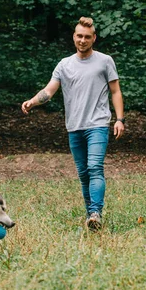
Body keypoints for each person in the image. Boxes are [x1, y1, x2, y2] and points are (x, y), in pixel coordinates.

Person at [21, 16, 125, 231]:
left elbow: (115, 91)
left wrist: (120, 119)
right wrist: (32, 101)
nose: (82, 40)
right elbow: (49, 90)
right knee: (83, 173)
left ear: (94, 38)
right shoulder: (64, 64)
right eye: (79, 36)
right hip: (74, 127)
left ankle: (96, 211)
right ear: (74, 36)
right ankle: (92, 217)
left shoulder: (105, 61)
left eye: (87, 37)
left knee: (95, 167)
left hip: (97, 124)